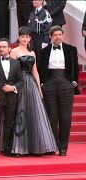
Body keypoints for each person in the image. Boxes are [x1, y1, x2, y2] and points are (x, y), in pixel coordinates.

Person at [10, 26, 57, 155]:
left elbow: (35, 71)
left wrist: (39, 88)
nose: (25, 39)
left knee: (34, 113)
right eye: (22, 36)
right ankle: (19, 147)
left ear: (30, 38)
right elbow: (11, 71)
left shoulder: (32, 53)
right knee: (21, 112)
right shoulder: (14, 52)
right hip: (19, 83)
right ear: (19, 37)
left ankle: (36, 146)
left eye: (27, 36)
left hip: (31, 84)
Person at [38, 26, 79, 156]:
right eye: (55, 35)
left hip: (66, 84)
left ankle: (63, 147)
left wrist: (73, 82)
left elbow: (75, 67)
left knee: (65, 117)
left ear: (63, 35)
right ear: (50, 37)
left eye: (59, 34)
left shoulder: (71, 49)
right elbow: (40, 68)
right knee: (51, 116)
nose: (57, 37)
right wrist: (43, 84)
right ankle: (52, 144)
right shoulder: (44, 51)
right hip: (49, 83)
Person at [0, 38, 23, 158]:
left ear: (9, 49)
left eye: (3, 47)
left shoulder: (16, 63)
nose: (1, 49)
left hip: (12, 98)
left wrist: (12, 88)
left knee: (10, 124)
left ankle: (8, 148)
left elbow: (21, 81)